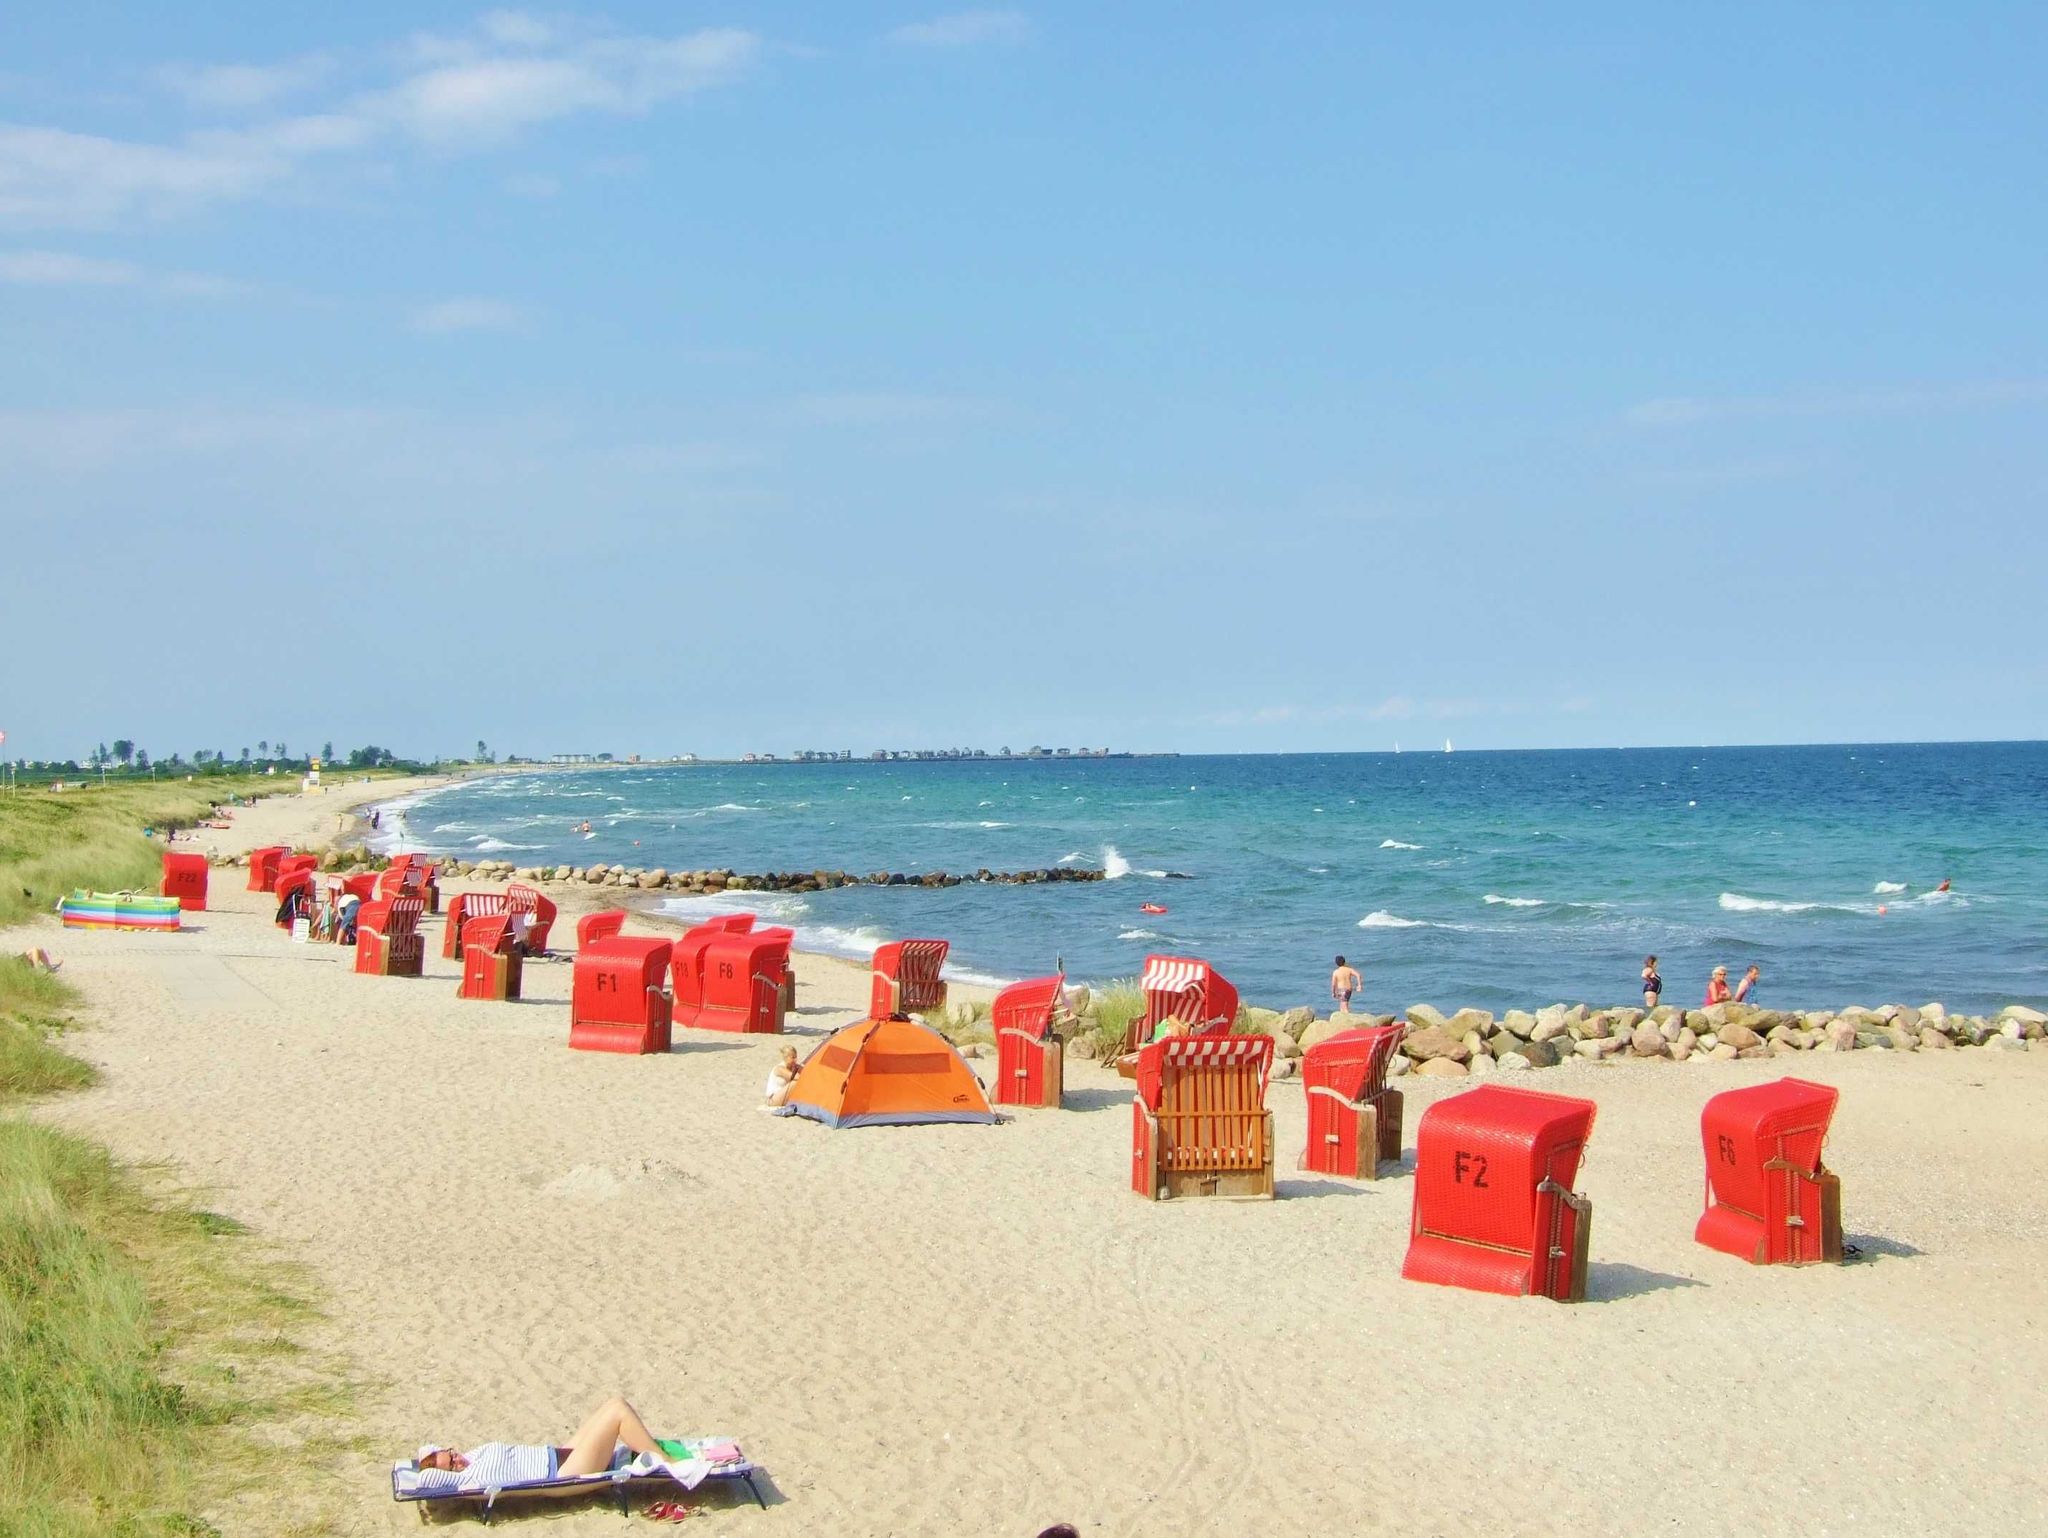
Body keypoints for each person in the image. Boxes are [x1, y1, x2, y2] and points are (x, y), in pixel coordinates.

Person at [412, 1395, 664, 1488]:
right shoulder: (470, 1480)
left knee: (610, 1403)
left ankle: (654, 1452)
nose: (457, 1459)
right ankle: (669, 1463)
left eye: (452, 1454)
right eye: (452, 1465)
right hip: (564, 1474)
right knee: (617, 1411)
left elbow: (427, 1449)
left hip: (560, 1453)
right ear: (451, 1475)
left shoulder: (474, 1455)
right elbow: (427, 1478)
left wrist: (435, 1457)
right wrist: (442, 1470)